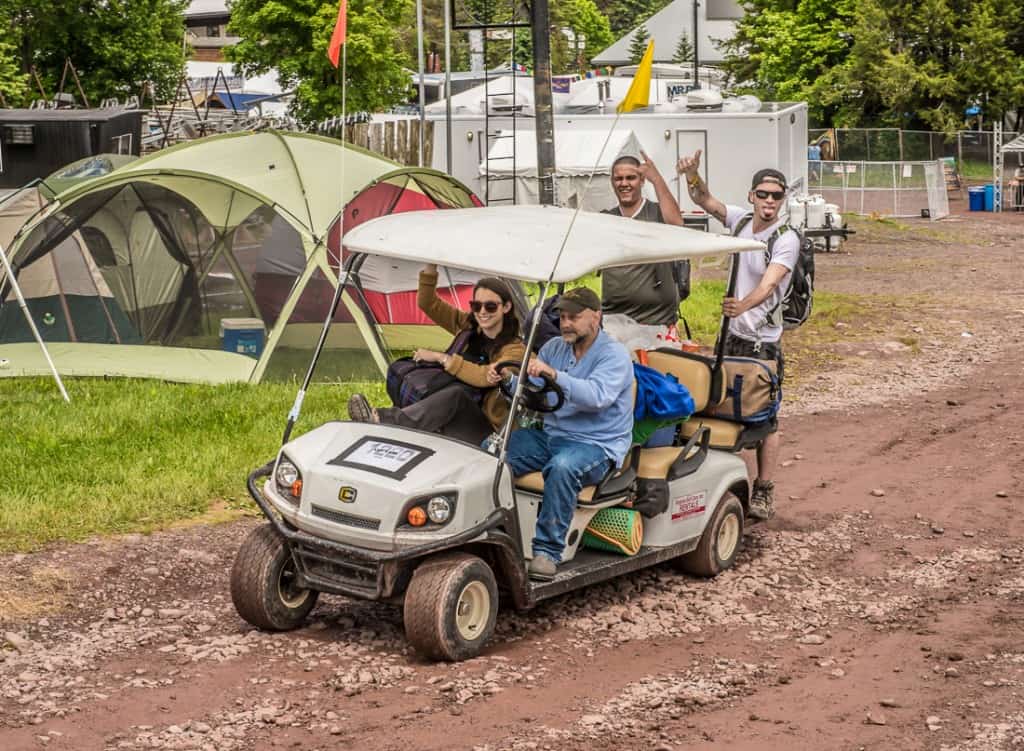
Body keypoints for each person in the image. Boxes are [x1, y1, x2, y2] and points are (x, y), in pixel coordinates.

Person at [676, 150, 800, 520]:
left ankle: (764, 488)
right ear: (751, 196)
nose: (768, 201)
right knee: (720, 406)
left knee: (765, 417)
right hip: (729, 337)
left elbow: (771, 281)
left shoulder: (786, 238)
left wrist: (743, 306)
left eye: (776, 196)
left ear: (783, 200)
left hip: (761, 342)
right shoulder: (741, 220)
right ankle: (723, 481)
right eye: (762, 194)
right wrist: (693, 174)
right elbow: (704, 201)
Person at [496, 287, 634, 580]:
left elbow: (597, 397)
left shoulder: (614, 356)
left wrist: (555, 376)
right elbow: (535, 395)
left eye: (574, 316)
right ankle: (492, 530)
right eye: (562, 317)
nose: (566, 323)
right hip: (552, 436)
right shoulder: (553, 349)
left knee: (561, 468)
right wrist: (509, 383)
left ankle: (547, 551)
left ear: (596, 317)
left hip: (597, 446)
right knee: (494, 449)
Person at [348, 265, 526, 445]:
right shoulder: (468, 325)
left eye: (490, 306)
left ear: (506, 307)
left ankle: (383, 421)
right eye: (476, 305)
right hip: (447, 410)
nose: (482, 312)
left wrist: (442, 358)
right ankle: (393, 428)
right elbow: (428, 303)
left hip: (487, 432)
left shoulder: (514, 349)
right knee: (406, 370)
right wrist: (430, 266)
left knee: (456, 395)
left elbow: (486, 377)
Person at [600, 152, 689, 327]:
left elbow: (676, 223)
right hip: (614, 318)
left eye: (630, 178)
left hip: (657, 320)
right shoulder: (606, 219)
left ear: (642, 181)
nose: (624, 183)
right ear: (612, 182)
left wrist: (656, 179)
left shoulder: (657, 212)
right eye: (618, 179)